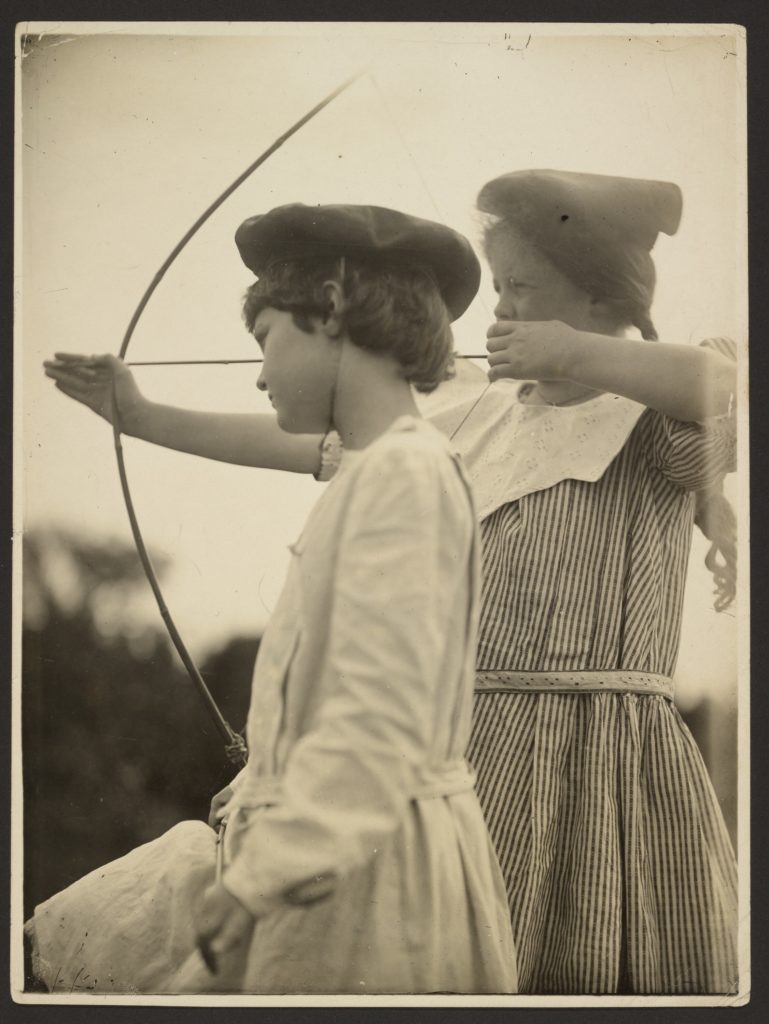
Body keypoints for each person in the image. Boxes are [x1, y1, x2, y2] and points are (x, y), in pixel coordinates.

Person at [42, 170, 740, 996]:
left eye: (522, 290)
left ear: (601, 300)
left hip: (597, 772)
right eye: (502, 291)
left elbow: (726, 384)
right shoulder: (484, 416)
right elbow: (315, 445)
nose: (501, 315)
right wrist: (142, 416)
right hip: (464, 746)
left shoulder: (653, 413)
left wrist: (573, 352)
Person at [29, 204, 517, 995]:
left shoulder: (403, 474)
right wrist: (136, 414)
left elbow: (378, 716)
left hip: (360, 879)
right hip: (333, 857)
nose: (258, 373)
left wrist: (260, 877)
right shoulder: (378, 467)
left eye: (265, 340)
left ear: (329, 307)